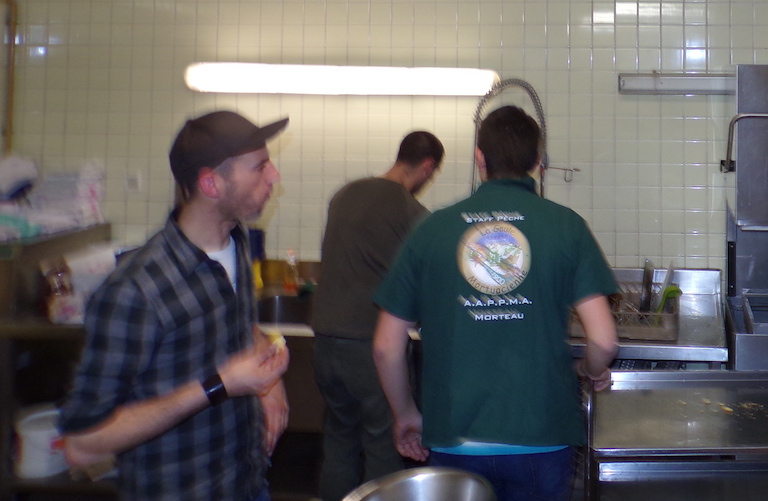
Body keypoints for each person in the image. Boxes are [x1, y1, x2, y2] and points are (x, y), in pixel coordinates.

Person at [373, 105, 619, 501]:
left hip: (453, 437)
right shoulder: (567, 227)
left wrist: (405, 416)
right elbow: (604, 340)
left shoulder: (432, 229)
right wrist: (589, 370)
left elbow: (386, 347)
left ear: (479, 158)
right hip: (542, 438)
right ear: (537, 161)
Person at [59, 111, 292, 501]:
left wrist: (270, 384)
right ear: (211, 183)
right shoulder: (137, 289)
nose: (274, 176)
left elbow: (240, 324)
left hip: (248, 484)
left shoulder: (236, 243)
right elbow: (82, 444)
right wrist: (219, 385)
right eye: (260, 167)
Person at [311, 130, 445, 501]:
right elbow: (429, 278)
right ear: (427, 166)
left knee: (339, 441)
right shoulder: (410, 211)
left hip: (324, 342)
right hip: (367, 346)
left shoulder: (345, 194)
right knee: (384, 443)